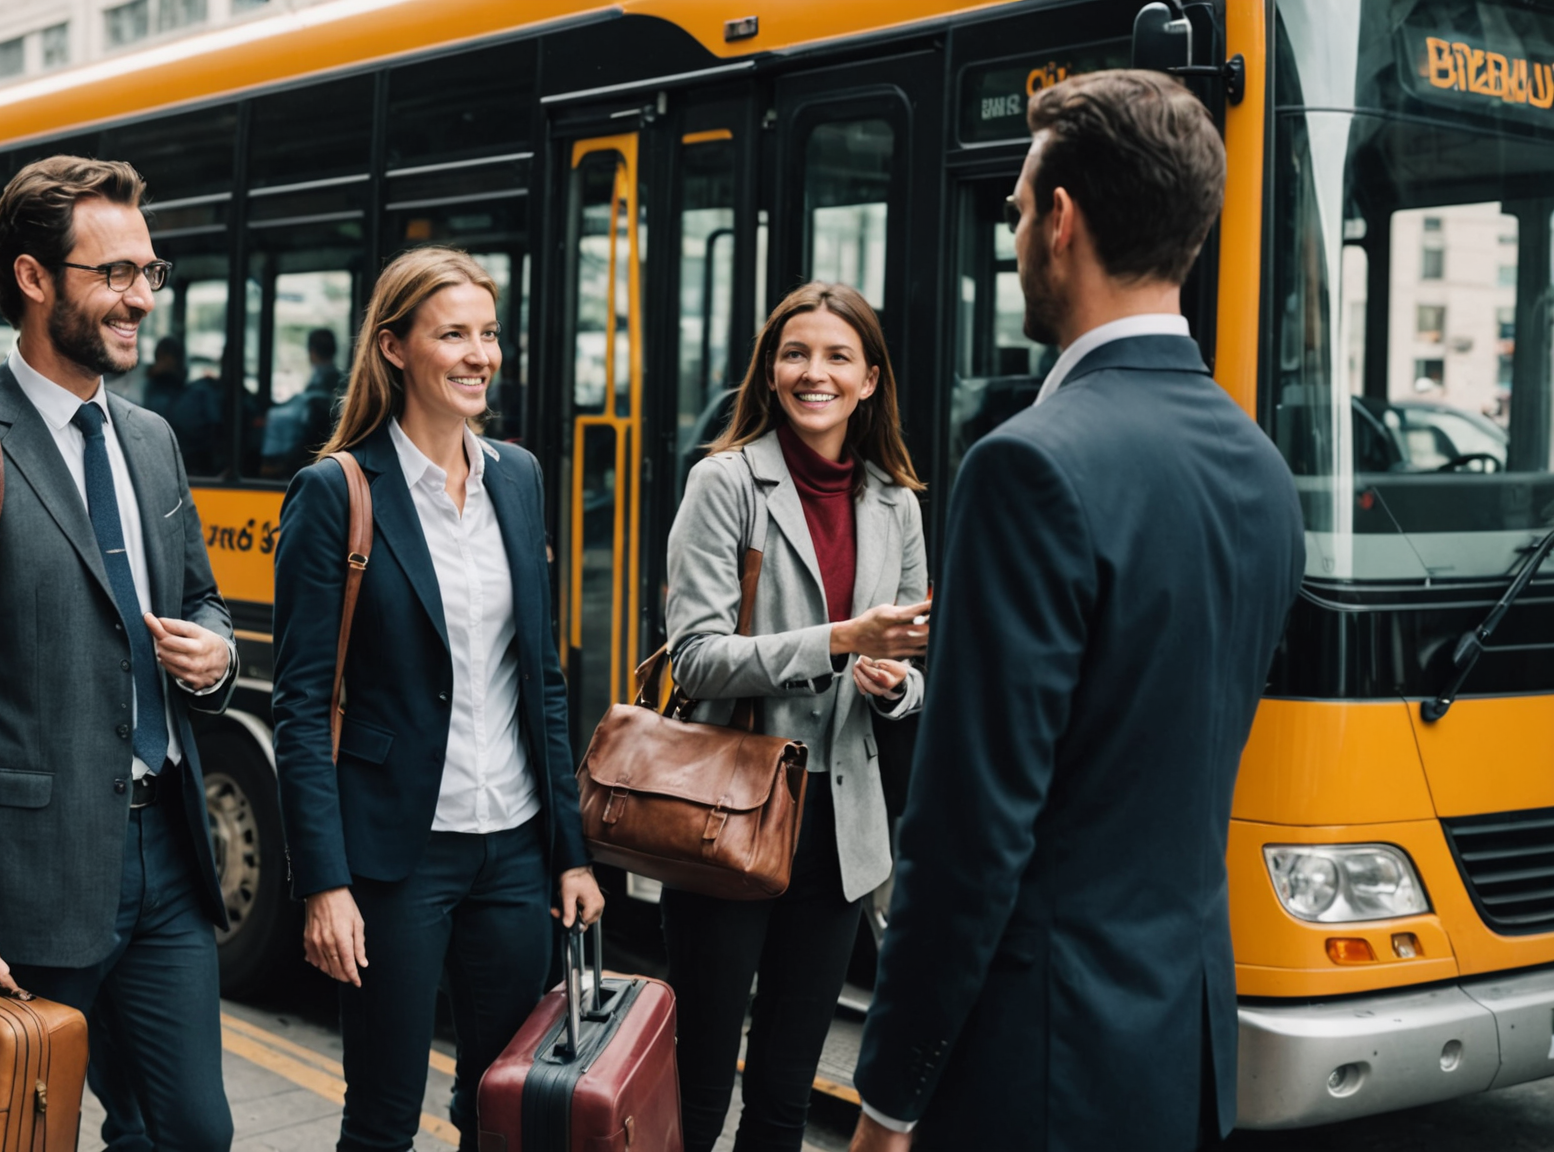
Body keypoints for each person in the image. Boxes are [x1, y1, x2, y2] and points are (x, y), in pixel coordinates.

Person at [850, 71, 1305, 1151]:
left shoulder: (1030, 469)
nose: (1011, 232)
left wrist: (889, 1097)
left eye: (1015, 208)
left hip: (1038, 1063)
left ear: (1062, 221)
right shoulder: (1261, 469)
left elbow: (971, 832)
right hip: (1179, 1058)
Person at [0, 156, 239, 1152]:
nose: (140, 299)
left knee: (193, 1132)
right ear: (35, 280)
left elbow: (199, 594)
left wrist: (217, 654)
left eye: (150, 274)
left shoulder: (151, 439)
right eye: (115, 274)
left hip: (165, 857)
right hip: (26, 880)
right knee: (22, 1133)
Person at [272, 246, 604, 1152]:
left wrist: (569, 854)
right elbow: (301, 707)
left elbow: (541, 678)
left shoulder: (520, 477)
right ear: (393, 347)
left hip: (512, 852)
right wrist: (325, 884)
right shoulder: (336, 492)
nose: (478, 355)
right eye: (452, 333)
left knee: (501, 1109)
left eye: (488, 335)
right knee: (382, 1116)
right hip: (395, 859)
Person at [663, 282, 932, 1152]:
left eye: (837, 357)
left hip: (841, 830)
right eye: (795, 354)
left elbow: (915, 665)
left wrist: (895, 684)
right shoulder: (724, 483)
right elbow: (694, 657)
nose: (813, 372)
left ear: (869, 380)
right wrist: (840, 640)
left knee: (784, 1095)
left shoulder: (899, 502)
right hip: (731, 814)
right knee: (698, 1088)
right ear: (771, 371)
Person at [259, 327, 345, 477]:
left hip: (301, 451)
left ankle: (271, 466)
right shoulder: (335, 377)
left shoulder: (321, 381)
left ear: (312, 352)